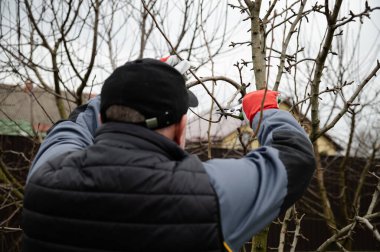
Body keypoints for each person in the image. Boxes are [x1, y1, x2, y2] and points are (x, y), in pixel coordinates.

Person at [22, 58, 316, 252]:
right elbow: (294, 158)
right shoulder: (206, 196)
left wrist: (129, 85)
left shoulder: (46, 176)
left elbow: (73, 126)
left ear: (102, 118)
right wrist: (265, 111)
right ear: (180, 128)